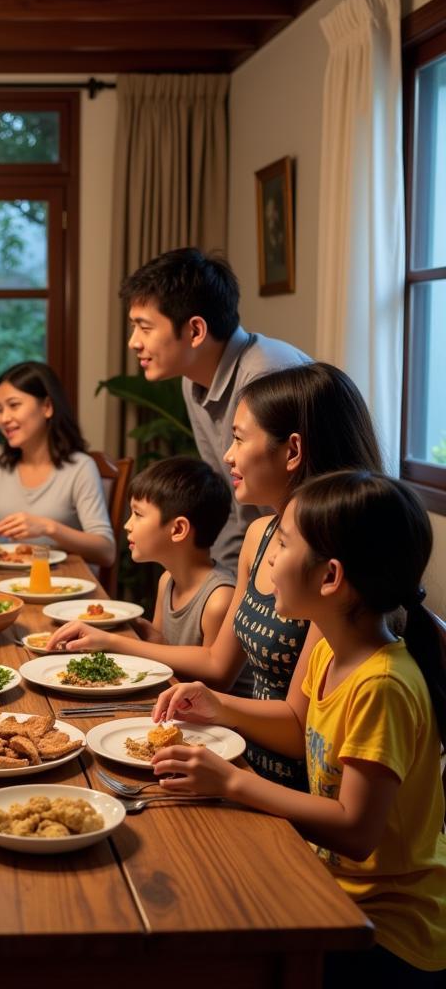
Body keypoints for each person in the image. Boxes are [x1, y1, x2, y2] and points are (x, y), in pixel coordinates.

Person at [151, 471, 446, 984]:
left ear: (329, 577)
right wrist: (218, 706)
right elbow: (296, 726)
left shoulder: (383, 685)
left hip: (387, 925)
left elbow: (356, 831)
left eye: (282, 544)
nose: (267, 558)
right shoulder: (332, 649)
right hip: (331, 880)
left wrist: (233, 783)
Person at [49, 363, 384, 789]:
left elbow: (299, 728)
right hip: (233, 753)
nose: (227, 454)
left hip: (286, 784)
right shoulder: (259, 537)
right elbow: (218, 662)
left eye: (240, 438)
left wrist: (216, 709)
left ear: (293, 451)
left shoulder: (327, 569)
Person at [121, 247, 310, 571]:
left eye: (145, 327)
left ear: (195, 331)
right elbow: (229, 498)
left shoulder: (266, 375)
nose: (133, 342)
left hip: (307, 561)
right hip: (260, 556)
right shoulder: (193, 379)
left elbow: (311, 506)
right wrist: (220, 584)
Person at [0, 361, 116, 567]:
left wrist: (48, 527)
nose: (4, 418)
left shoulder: (81, 467)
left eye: (14, 405)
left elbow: (106, 552)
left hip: (60, 584)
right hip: (0, 580)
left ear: (47, 407)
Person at [100, 457, 235, 649]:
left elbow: (211, 676)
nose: (127, 525)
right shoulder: (167, 581)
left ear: (178, 529)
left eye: (138, 514)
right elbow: (161, 650)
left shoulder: (219, 600)